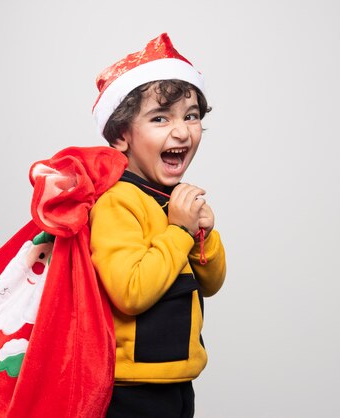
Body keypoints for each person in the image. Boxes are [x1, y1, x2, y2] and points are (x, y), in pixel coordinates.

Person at [89, 33, 227, 418]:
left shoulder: (172, 200)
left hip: (176, 383)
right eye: (160, 118)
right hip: (131, 391)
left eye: (191, 115)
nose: (182, 131)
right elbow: (130, 292)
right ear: (121, 135)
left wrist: (204, 236)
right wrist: (179, 231)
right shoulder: (119, 201)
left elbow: (212, 285)